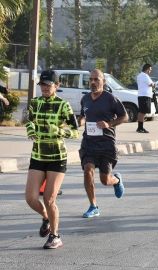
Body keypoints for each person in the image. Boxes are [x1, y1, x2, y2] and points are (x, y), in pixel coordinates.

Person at [24, 70, 79, 249]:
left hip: (57, 157)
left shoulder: (64, 105)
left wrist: (59, 131)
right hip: (38, 155)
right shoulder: (35, 103)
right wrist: (30, 130)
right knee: (31, 198)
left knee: (49, 199)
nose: (45, 88)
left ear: (57, 85)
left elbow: (76, 132)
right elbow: (29, 121)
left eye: (48, 85)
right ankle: (46, 217)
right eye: (42, 85)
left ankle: (55, 236)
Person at [78, 69, 127, 218]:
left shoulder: (110, 98)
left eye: (96, 79)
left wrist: (109, 124)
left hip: (106, 144)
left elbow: (124, 117)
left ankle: (116, 180)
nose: (93, 82)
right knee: (88, 171)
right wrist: (79, 122)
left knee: (105, 180)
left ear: (103, 82)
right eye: (91, 79)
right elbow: (83, 116)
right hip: (89, 143)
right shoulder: (85, 99)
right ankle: (93, 206)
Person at [136, 64, 155, 133]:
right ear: (147, 69)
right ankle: (140, 128)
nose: (150, 71)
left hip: (142, 95)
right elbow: (151, 84)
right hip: (145, 96)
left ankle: (140, 127)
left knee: (141, 112)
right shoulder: (145, 76)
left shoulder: (139, 75)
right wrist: (154, 84)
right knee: (142, 112)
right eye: (150, 70)